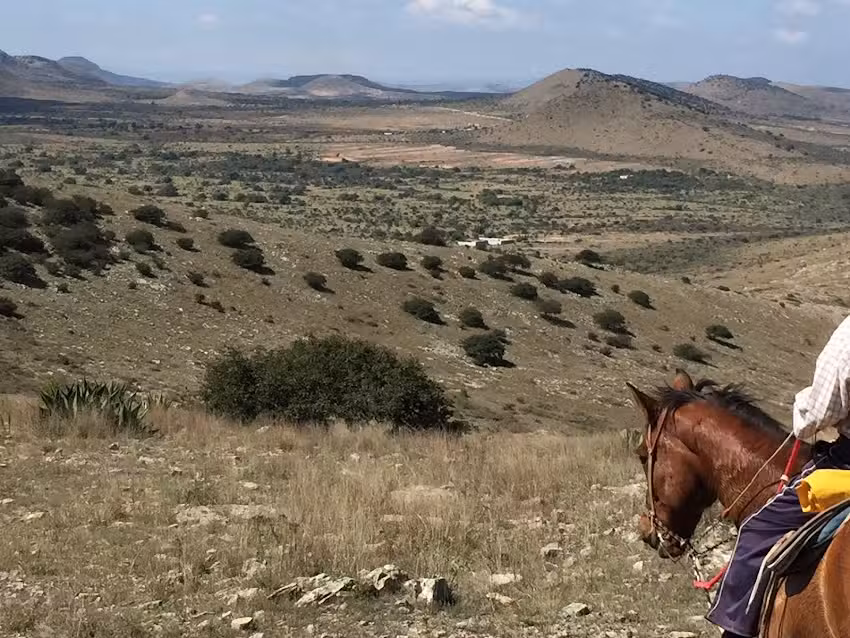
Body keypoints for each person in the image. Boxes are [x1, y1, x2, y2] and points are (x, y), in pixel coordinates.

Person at [705, 315, 850, 638]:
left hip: (847, 466)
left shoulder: (848, 337)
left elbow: (818, 414)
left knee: (757, 530)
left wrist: (802, 412)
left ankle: (736, 629)